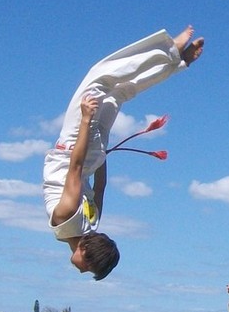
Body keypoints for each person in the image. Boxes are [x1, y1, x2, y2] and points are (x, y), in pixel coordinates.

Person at [42, 26, 204, 280]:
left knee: (120, 94)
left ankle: (178, 63)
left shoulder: (92, 224)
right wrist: (85, 121)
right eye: (89, 265)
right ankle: (169, 50)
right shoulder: (65, 219)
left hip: (93, 156)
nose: (85, 269)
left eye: (89, 267)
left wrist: (101, 153)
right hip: (75, 147)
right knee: (100, 77)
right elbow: (74, 168)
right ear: (84, 249)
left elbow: (101, 185)